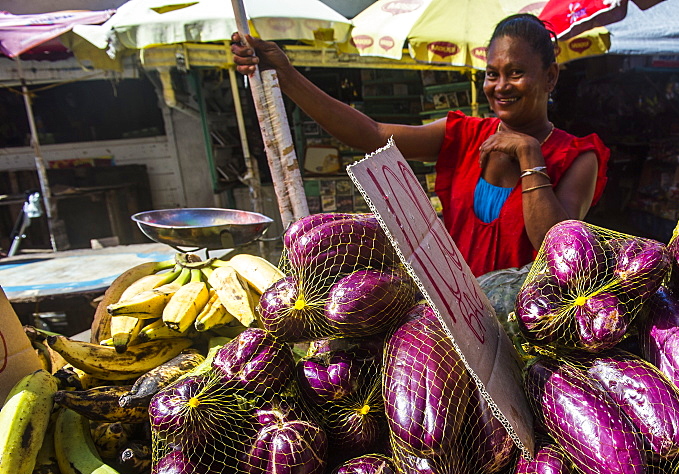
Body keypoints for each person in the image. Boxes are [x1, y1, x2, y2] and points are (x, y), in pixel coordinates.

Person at [230, 14, 610, 277]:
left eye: (516, 73)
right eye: (492, 74)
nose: (500, 86)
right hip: (459, 324)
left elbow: (558, 247)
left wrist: (529, 154)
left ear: (550, 77)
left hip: (528, 327)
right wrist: (287, 76)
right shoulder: (464, 134)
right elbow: (372, 135)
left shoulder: (577, 157)